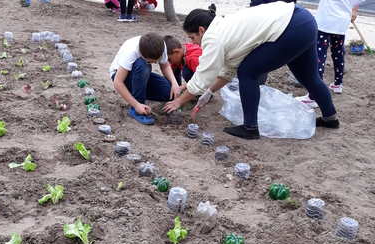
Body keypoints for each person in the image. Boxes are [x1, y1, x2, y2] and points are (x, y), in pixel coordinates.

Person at [163, 3, 339, 140]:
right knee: (309, 77)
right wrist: (210, 92)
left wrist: (178, 102)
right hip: (304, 20)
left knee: (248, 71)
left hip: (290, 27)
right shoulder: (224, 27)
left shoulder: (213, 38)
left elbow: (203, 76)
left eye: (193, 38)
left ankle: (250, 128)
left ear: (201, 30)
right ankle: (330, 118)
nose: (193, 44)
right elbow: (227, 70)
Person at [296, 0, 364, 107]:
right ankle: (338, 84)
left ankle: (314, 96)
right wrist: (354, 9)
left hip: (326, 21)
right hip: (342, 22)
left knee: (319, 55)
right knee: (338, 53)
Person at [110, 32, 180, 125]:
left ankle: (139, 93)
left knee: (169, 92)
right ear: (140, 52)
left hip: (140, 75)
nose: (156, 63)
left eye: (157, 60)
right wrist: (136, 104)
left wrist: (174, 83)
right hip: (121, 76)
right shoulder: (132, 51)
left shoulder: (161, 45)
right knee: (144, 66)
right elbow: (118, 83)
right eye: (152, 61)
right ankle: (135, 109)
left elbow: (165, 66)